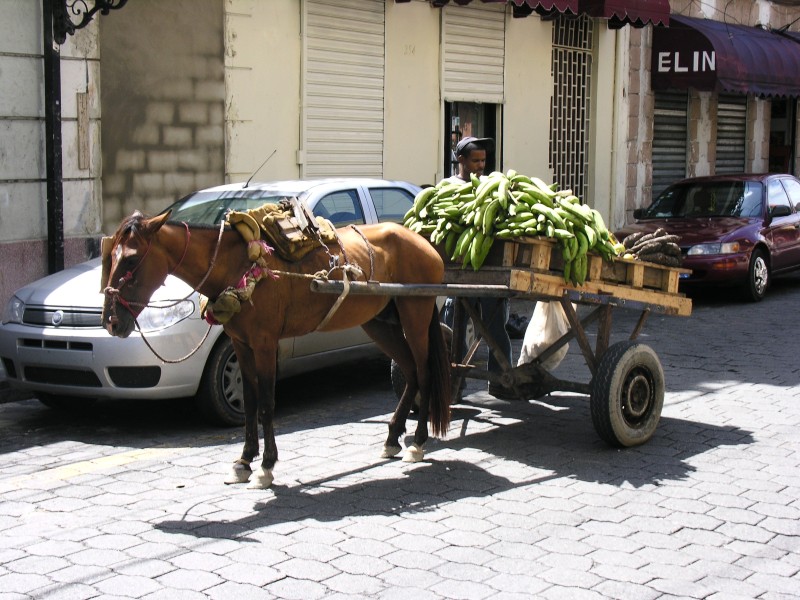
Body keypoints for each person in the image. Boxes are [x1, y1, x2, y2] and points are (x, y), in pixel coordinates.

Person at [441, 136, 515, 400]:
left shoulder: (491, 186)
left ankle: (501, 379)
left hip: (489, 268)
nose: (481, 166)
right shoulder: (448, 187)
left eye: (483, 160)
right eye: (475, 161)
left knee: (495, 327)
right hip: (460, 270)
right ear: (460, 160)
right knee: (453, 327)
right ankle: (453, 383)